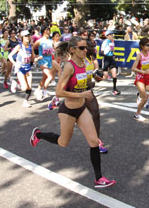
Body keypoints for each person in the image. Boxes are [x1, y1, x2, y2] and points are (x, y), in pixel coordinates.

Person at [29, 36, 116, 188]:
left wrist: (98, 79)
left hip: (81, 109)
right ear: (72, 50)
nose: (85, 50)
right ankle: (38, 135)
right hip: (68, 110)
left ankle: (99, 178)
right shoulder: (69, 67)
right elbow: (59, 91)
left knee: (94, 142)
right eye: (82, 48)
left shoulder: (86, 63)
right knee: (63, 142)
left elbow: (88, 82)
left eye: (86, 48)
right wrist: (81, 95)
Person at [8, 30, 36, 108]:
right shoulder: (19, 46)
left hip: (28, 68)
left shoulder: (31, 47)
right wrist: (15, 64)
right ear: (22, 37)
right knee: (24, 88)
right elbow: (10, 56)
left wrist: (36, 59)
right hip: (20, 69)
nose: (28, 37)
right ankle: (15, 84)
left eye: (29, 36)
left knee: (29, 87)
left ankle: (25, 101)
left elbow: (33, 58)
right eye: (26, 36)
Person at [33, 26, 54, 100]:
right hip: (42, 60)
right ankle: (43, 90)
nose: (48, 32)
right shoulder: (40, 41)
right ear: (43, 32)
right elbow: (32, 47)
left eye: (49, 30)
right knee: (50, 76)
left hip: (49, 59)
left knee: (44, 78)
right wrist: (35, 56)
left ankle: (38, 89)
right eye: (46, 30)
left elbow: (53, 50)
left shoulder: (51, 41)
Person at [101, 31, 120, 95]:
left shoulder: (112, 42)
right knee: (105, 77)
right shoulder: (105, 42)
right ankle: (96, 75)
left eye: (112, 34)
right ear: (107, 36)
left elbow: (111, 52)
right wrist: (107, 56)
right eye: (110, 34)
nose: (112, 35)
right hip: (106, 59)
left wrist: (115, 56)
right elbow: (101, 52)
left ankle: (114, 89)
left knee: (114, 75)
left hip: (112, 59)